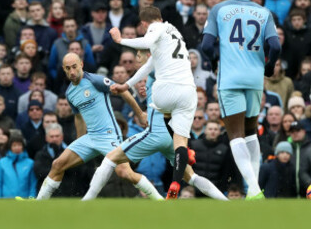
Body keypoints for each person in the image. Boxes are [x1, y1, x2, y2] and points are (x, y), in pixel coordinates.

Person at [82, 50, 227, 201]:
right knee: (191, 177)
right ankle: (226, 202)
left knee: (110, 159)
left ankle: (86, 201)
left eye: (140, 55)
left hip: (155, 133)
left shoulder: (156, 69)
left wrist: (127, 85)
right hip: (171, 136)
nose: (137, 59)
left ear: (149, 57)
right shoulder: (166, 76)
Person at [201, 0, 281, 200]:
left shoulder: (219, 9)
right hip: (255, 78)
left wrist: (217, 60)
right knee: (251, 132)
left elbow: (206, 44)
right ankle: (253, 190)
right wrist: (269, 66)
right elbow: (275, 45)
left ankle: (254, 189)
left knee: (235, 134)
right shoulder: (264, 12)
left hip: (230, 78)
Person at [108, 6, 198, 199]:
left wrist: (120, 40)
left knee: (161, 108)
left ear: (144, 24)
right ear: (161, 17)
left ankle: (181, 155)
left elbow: (147, 41)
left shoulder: (155, 28)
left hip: (165, 90)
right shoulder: (174, 31)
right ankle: (176, 180)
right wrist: (127, 85)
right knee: (180, 140)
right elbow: (149, 66)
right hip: (188, 90)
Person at [34, 53, 150, 200]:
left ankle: (158, 199)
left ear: (81, 64)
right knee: (57, 164)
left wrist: (140, 114)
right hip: (91, 137)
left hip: (109, 135)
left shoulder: (95, 80)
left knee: (125, 172)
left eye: (74, 67)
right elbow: (78, 117)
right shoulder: (70, 93)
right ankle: (38, 203)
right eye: (68, 68)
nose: (72, 72)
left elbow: (123, 91)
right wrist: (79, 143)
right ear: (64, 69)